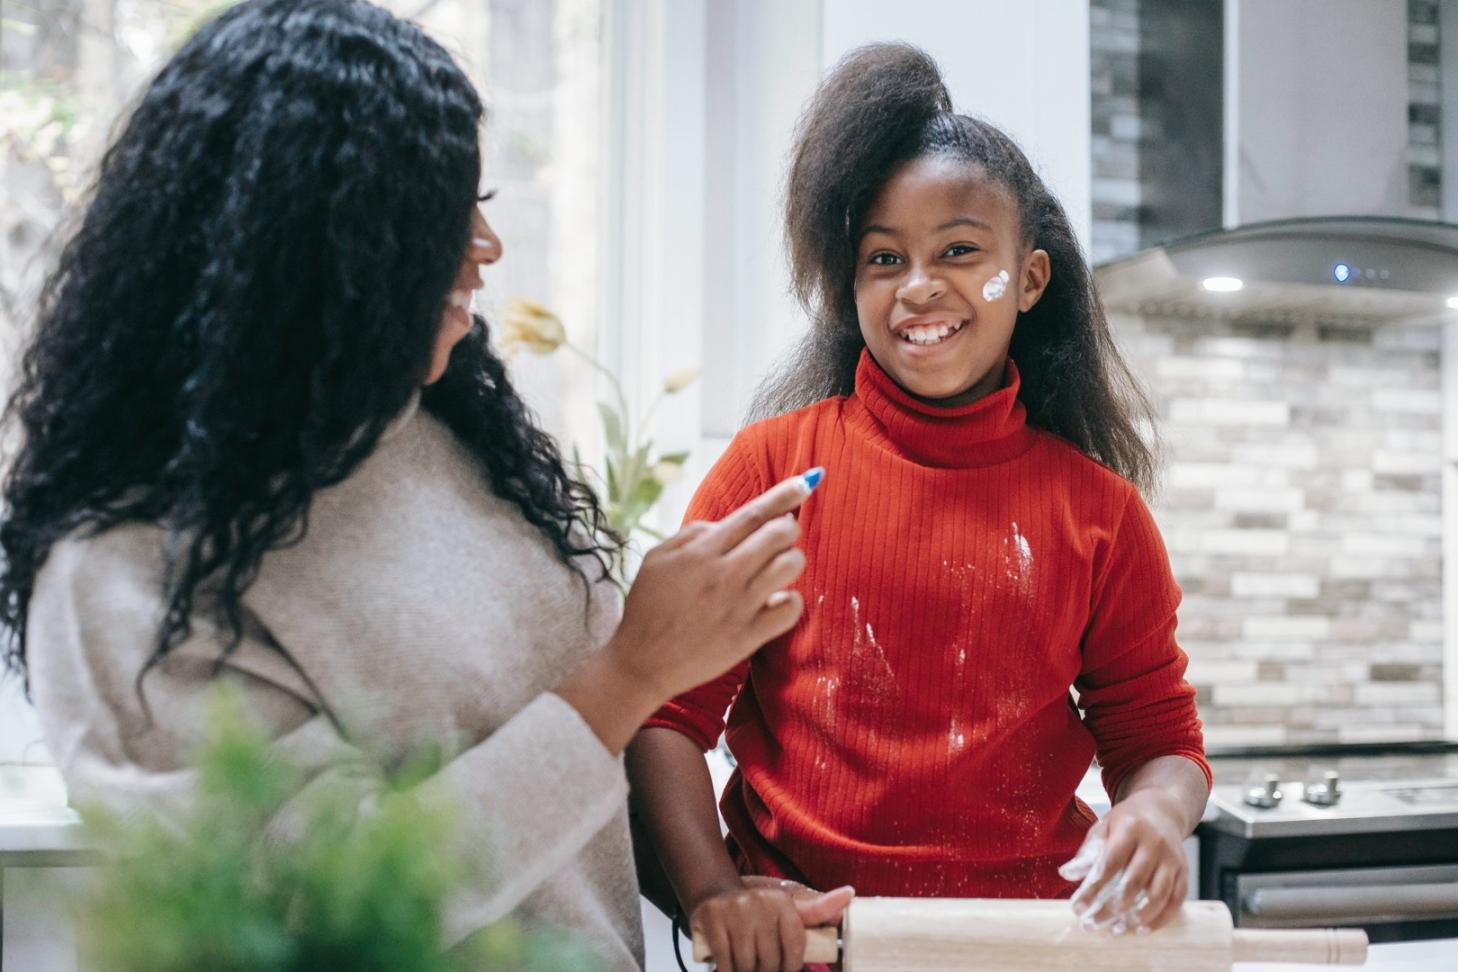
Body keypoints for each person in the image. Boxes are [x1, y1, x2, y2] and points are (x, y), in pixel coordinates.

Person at [0, 2, 820, 969]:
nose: (488, 245)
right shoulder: (124, 571)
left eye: (483, 200)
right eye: (441, 213)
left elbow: (571, 782)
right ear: (313, 241)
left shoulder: (446, 432)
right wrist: (635, 669)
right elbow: (328, 910)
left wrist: (711, 888)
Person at [627, 43, 1211, 972]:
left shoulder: (1100, 515)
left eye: (959, 251)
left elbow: (1162, 743)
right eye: (883, 258)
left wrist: (1155, 810)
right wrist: (713, 893)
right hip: (810, 952)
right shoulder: (775, 472)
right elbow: (664, 716)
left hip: (1029, 952)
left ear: (1029, 279)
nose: (918, 285)